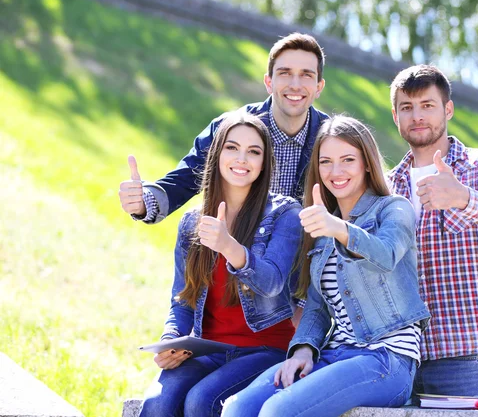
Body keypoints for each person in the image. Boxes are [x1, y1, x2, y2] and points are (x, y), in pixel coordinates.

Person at [221, 115, 431, 417]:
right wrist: (303, 349)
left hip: (387, 360)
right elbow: (317, 307)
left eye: (348, 160)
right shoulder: (323, 227)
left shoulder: (394, 209)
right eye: (326, 162)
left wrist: (339, 229)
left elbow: (385, 254)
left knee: (278, 412)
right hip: (334, 354)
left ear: (367, 163)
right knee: (238, 408)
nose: (336, 171)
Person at [138, 112, 302, 417]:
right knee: (157, 403)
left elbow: (273, 282)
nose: (242, 158)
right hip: (207, 350)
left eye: (254, 152)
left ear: (264, 163)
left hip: (266, 350)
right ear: (217, 155)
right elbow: (182, 299)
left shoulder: (286, 214)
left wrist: (230, 246)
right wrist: (171, 340)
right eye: (232, 148)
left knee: (202, 401)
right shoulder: (192, 222)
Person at [387, 64, 478, 397]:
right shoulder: (389, 184)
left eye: (427, 105)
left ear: (448, 109)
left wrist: (464, 197)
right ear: (396, 116)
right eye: (407, 108)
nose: (417, 115)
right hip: (400, 360)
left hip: (462, 359)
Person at [119, 32, 328, 224]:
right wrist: (144, 201)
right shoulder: (229, 129)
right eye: (285, 73)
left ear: (319, 87)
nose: (295, 84)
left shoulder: (333, 138)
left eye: (307, 75)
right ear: (268, 81)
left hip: (304, 260)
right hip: (233, 248)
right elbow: (185, 179)